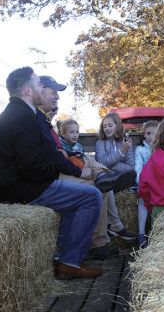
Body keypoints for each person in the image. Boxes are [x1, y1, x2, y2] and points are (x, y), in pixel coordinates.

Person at [0, 67, 103, 279]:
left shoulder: (18, 113)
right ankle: (69, 261)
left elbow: (36, 158)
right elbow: (32, 165)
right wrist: (56, 172)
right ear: (27, 90)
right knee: (91, 196)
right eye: (39, 84)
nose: (42, 86)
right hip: (24, 189)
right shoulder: (23, 118)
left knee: (80, 196)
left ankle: (63, 257)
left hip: (17, 184)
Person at [38, 76, 125, 260]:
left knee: (95, 173)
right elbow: (54, 155)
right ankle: (97, 243)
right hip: (57, 174)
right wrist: (76, 168)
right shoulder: (37, 123)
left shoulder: (45, 125)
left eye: (56, 110)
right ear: (39, 91)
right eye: (53, 100)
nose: (55, 107)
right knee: (97, 184)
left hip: (66, 166)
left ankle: (103, 176)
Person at [96, 112, 137, 241]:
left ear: (117, 125)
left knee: (120, 178)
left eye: (110, 125)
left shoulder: (126, 142)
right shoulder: (100, 143)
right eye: (104, 126)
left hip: (121, 179)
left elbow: (130, 167)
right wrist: (121, 153)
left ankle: (114, 226)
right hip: (107, 179)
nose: (107, 129)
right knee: (107, 185)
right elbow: (102, 163)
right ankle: (117, 226)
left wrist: (112, 164)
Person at [134, 120, 159, 248]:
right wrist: (142, 183)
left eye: (154, 134)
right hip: (145, 183)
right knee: (143, 200)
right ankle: (141, 234)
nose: (150, 137)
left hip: (159, 184)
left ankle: (156, 233)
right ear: (144, 135)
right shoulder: (140, 150)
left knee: (159, 201)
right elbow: (137, 169)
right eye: (148, 133)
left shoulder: (162, 150)